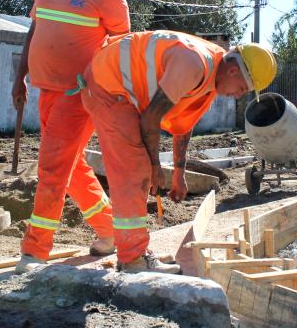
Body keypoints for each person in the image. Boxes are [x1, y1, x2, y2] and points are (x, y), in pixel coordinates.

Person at [79, 30, 277, 274]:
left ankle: (134, 252)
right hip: (106, 87)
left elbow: (184, 123)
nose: (238, 95)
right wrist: (154, 166)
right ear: (234, 71)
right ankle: (133, 259)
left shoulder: (211, 76)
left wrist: (178, 174)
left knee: (138, 167)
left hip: (119, 90)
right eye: (243, 88)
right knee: (134, 169)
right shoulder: (193, 64)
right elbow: (151, 118)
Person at [12, 0, 129, 273]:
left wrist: (107, 88)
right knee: (70, 166)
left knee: (51, 169)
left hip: (79, 95)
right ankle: (110, 232)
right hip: (46, 90)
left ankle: (35, 251)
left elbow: (122, 47)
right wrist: (19, 78)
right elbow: (35, 29)